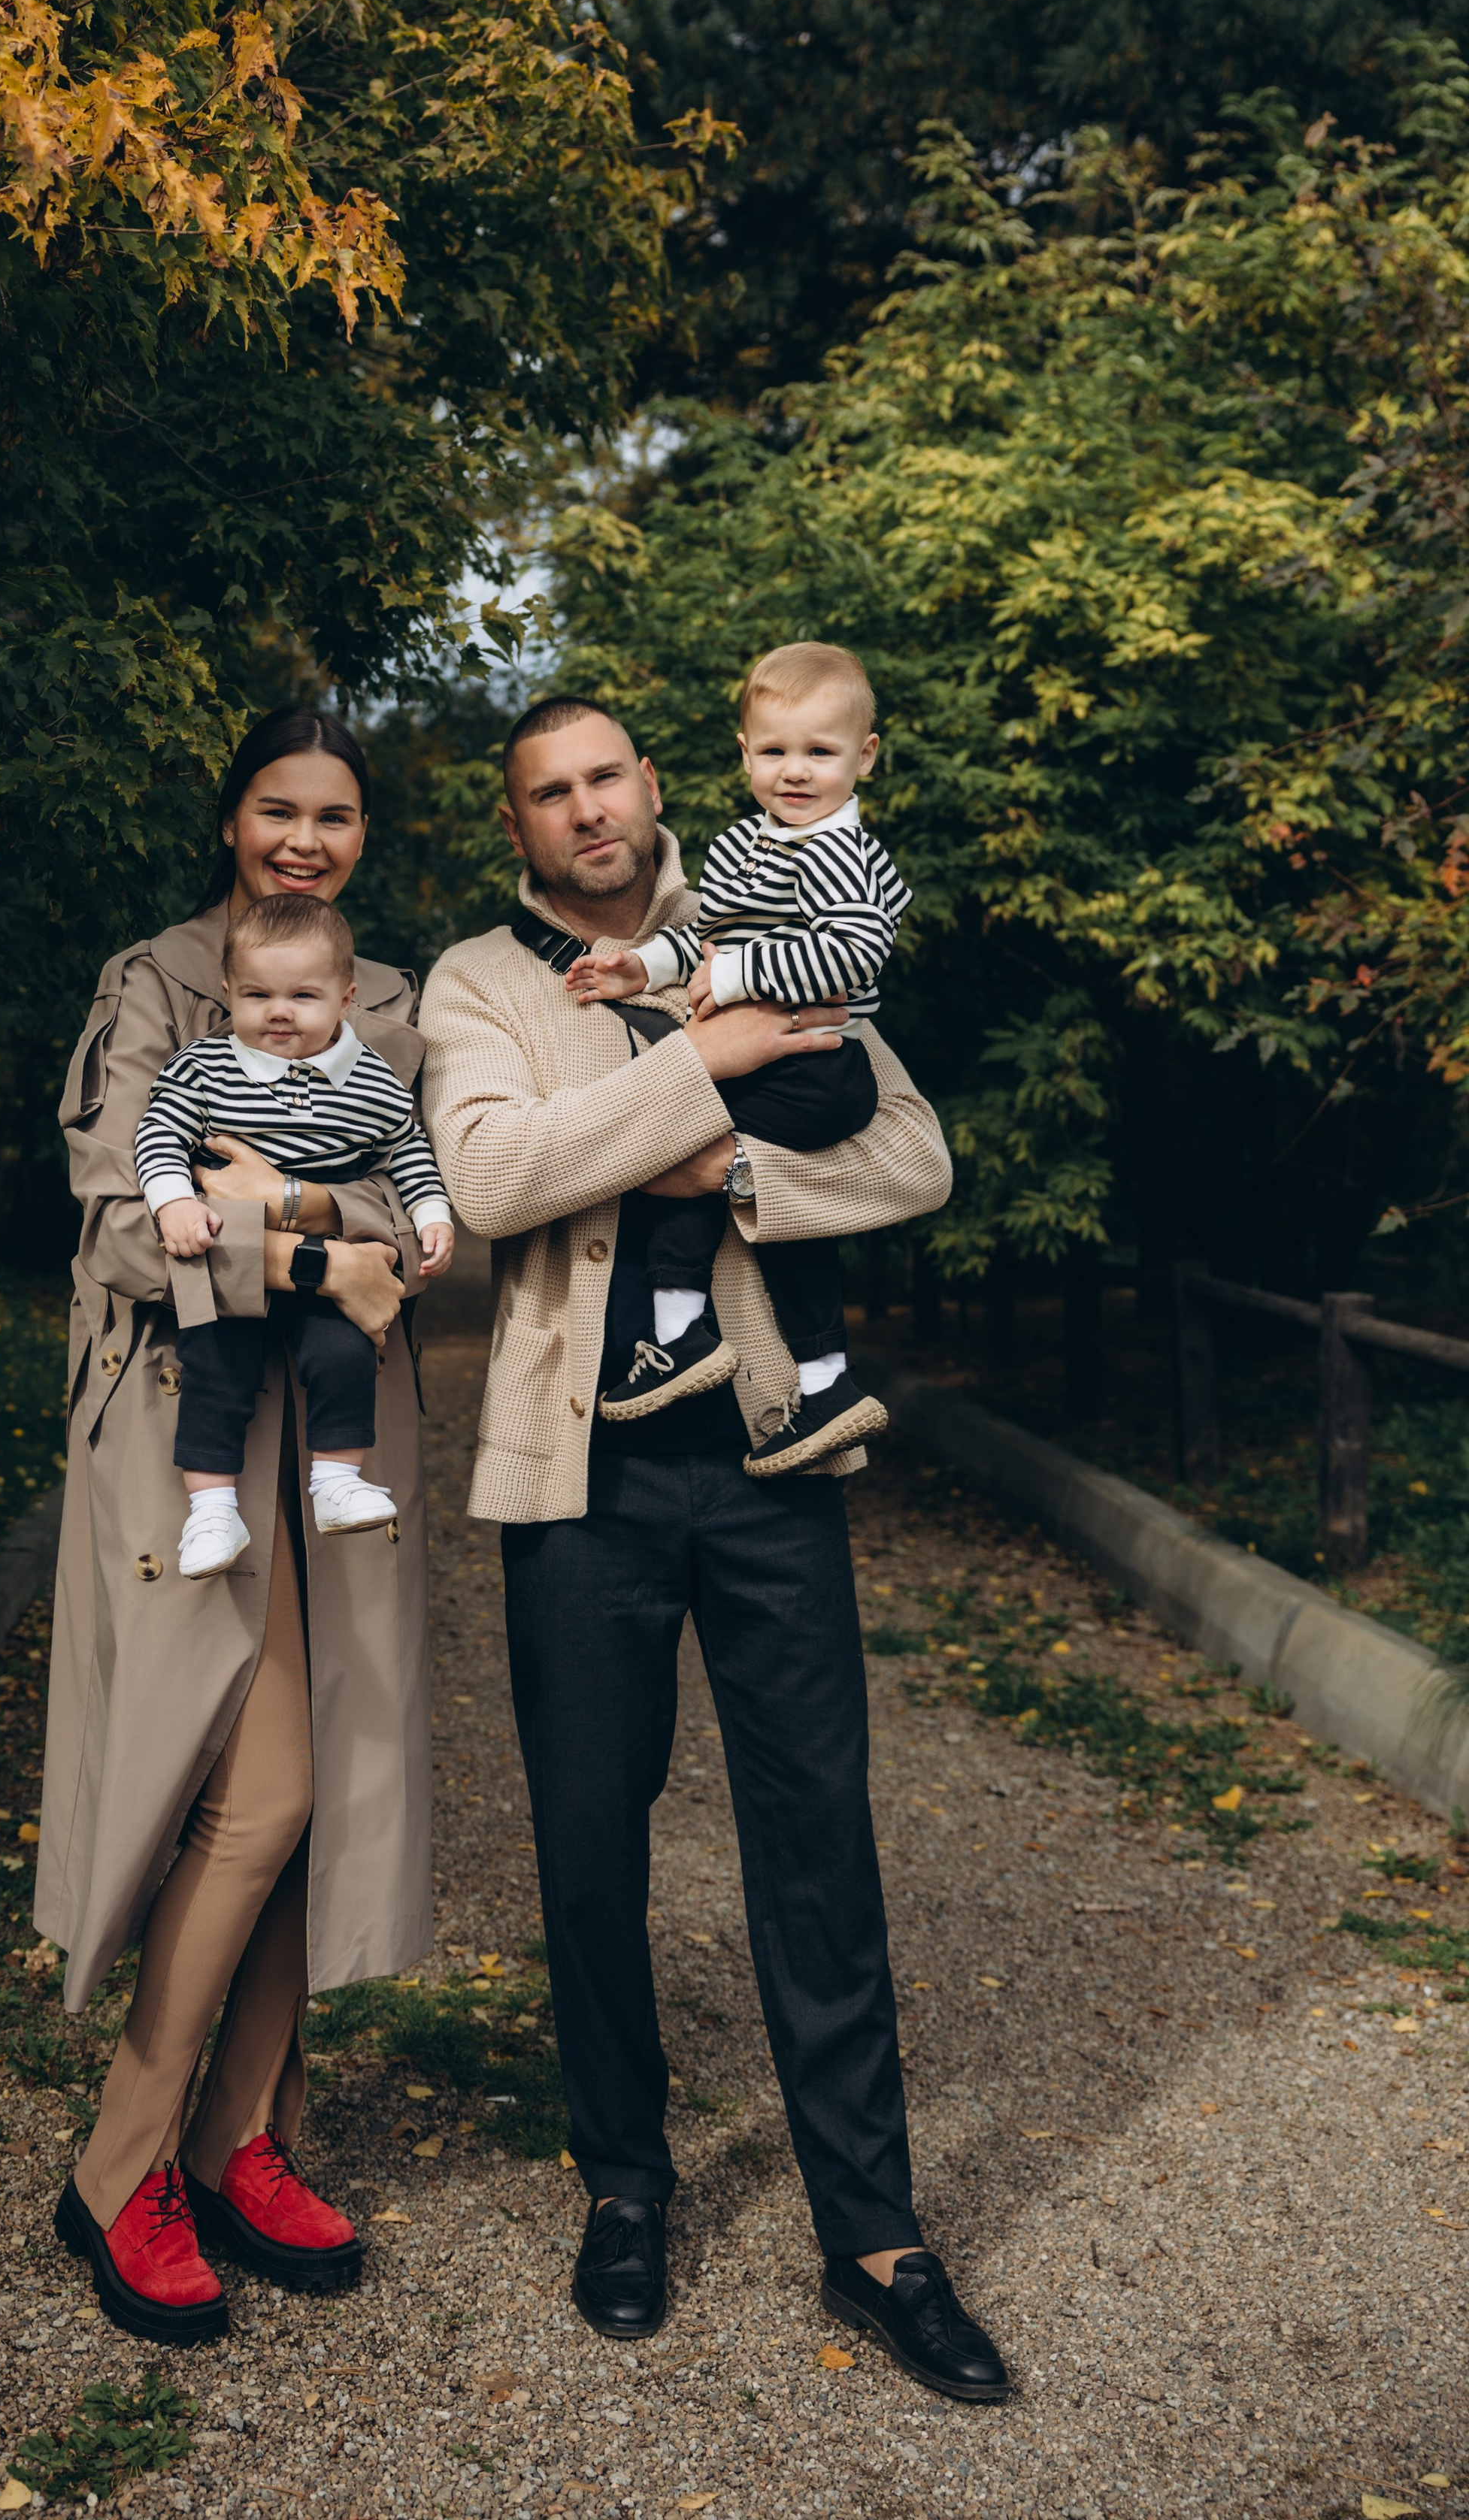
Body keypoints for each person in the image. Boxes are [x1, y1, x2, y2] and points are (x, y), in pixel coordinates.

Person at [419, 697, 1011, 2404]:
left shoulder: (779, 910)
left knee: (816, 1834)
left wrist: (733, 1168)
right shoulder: (479, 983)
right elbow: (494, 1175)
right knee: (587, 1843)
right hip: (579, 1477)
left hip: (768, 1458)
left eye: (605, 774)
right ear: (518, 825)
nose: (585, 807)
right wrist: (717, 1054)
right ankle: (625, 2184)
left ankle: (874, 2229)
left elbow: (910, 1150)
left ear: (651, 784)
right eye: (550, 790)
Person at [35, 707, 432, 2347]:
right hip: (184, 1431)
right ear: (231, 821)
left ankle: (239, 2133)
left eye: (334, 817)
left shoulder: (388, 999)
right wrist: (317, 1249)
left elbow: (429, 1217)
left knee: (317, 1793)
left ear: (361, 836)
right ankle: (122, 2159)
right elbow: (124, 1224)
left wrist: (284, 1198)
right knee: (256, 1795)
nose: (304, 841)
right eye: (279, 810)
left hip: (339, 1438)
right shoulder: (155, 982)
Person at [565, 641, 907, 1467]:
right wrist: (642, 965)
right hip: (790, 1070)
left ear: (864, 758)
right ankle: (825, 1381)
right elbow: (709, 937)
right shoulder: (751, 843)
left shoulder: (833, 850)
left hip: (815, 1068)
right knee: (791, 1223)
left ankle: (680, 1332)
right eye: (776, 751)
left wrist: (735, 976)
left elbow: (856, 950)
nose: (796, 771)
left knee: (668, 1131)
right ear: (746, 754)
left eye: (820, 752)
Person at [134, 891, 453, 1576]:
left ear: (346, 999)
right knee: (213, 1370)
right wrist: (173, 1203)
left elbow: (406, 1149)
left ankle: (336, 1481)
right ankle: (211, 1512)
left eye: (303, 996)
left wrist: (432, 1212)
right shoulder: (204, 1066)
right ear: (229, 994)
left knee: (345, 1354)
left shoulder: (372, 1079)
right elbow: (158, 1133)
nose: (279, 1012)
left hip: (331, 1260)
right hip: (232, 1253)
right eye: (258, 995)